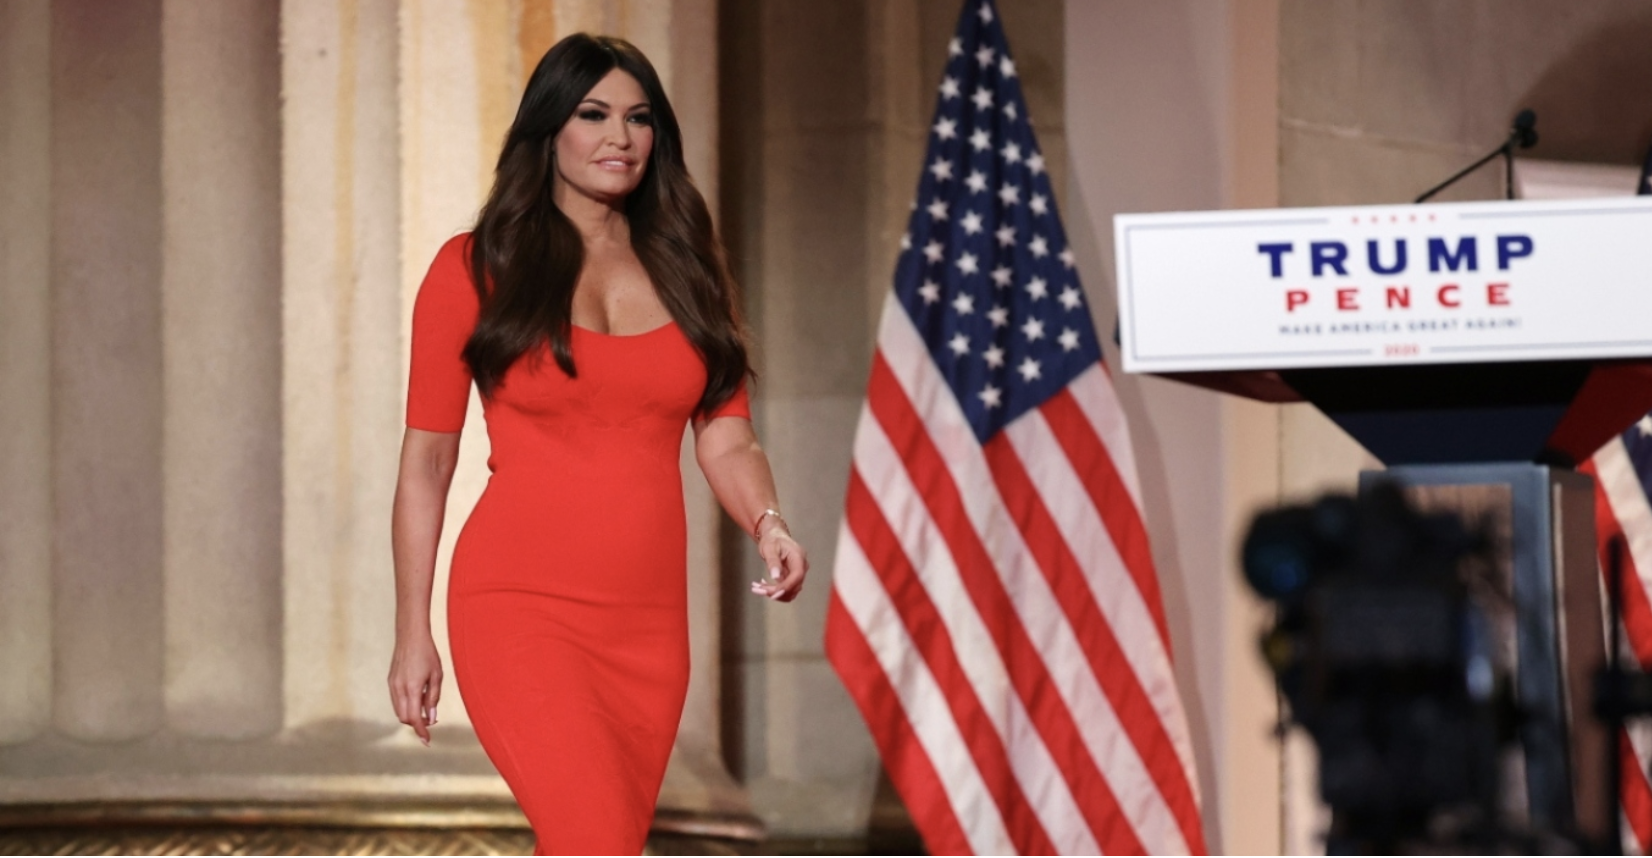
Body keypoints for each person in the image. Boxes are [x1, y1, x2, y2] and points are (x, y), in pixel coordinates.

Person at [387, 33, 807, 855]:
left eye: (640, 118)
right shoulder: (474, 267)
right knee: (597, 841)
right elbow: (427, 463)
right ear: (549, 130)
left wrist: (770, 523)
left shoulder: (689, 269)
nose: (621, 137)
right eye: (594, 114)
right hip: (518, 606)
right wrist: (412, 630)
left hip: (648, 627)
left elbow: (728, 437)